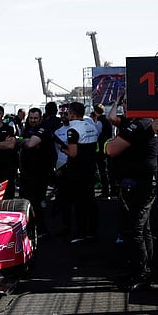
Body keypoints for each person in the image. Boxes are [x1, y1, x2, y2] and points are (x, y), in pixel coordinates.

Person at [105, 108, 158, 290]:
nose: (124, 106)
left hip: (140, 185)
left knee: (135, 229)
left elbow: (111, 149)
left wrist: (108, 143)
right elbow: (112, 118)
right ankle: (140, 270)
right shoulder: (140, 123)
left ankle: (142, 273)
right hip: (140, 183)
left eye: (127, 102)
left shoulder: (140, 124)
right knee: (142, 229)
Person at [58, 102, 99, 242]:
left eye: (67, 112)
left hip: (77, 170)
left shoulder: (72, 130)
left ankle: (81, 233)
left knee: (79, 202)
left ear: (72, 114)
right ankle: (92, 231)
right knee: (90, 201)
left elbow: (73, 153)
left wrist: (62, 148)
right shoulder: (91, 126)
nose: (66, 115)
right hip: (90, 168)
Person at [18, 107, 57, 236]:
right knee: (26, 199)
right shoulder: (27, 129)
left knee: (37, 201)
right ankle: (31, 228)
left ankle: (41, 229)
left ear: (40, 118)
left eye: (35, 118)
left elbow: (30, 144)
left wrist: (20, 142)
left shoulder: (43, 129)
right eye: (31, 118)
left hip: (40, 172)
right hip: (27, 171)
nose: (33, 120)